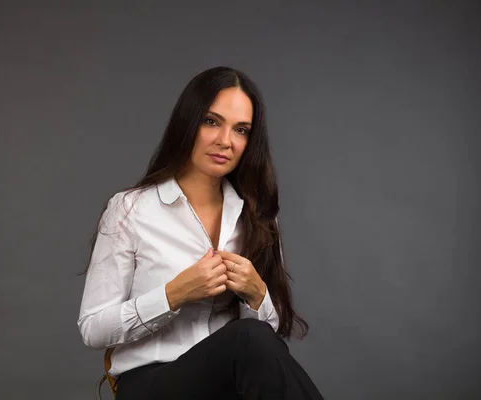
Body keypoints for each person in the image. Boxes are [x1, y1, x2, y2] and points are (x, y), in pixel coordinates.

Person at [77, 66, 324, 399]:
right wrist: (173, 294)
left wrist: (256, 295)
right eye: (212, 122)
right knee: (248, 338)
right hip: (151, 383)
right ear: (188, 124)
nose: (225, 141)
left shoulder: (257, 215)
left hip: (226, 385)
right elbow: (93, 329)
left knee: (254, 339)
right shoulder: (130, 209)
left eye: (241, 130)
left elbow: (272, 340)